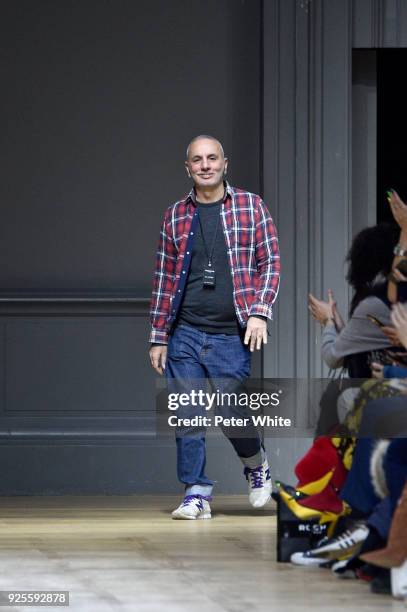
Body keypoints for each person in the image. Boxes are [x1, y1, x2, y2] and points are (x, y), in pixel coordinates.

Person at [149, 135, 280, 519]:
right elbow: (162, 278)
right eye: (197, 160)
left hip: (230, 333)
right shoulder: (174, 215)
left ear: (225, 163)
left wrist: (259, 312)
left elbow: (270, 262)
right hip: (184, 331)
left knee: (228, 409)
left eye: (212, 158)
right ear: (186, 167)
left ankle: (256, 465)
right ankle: (196, 492)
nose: (205, 165)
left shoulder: (251, 206)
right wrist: (159, 336)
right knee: (187, 414)